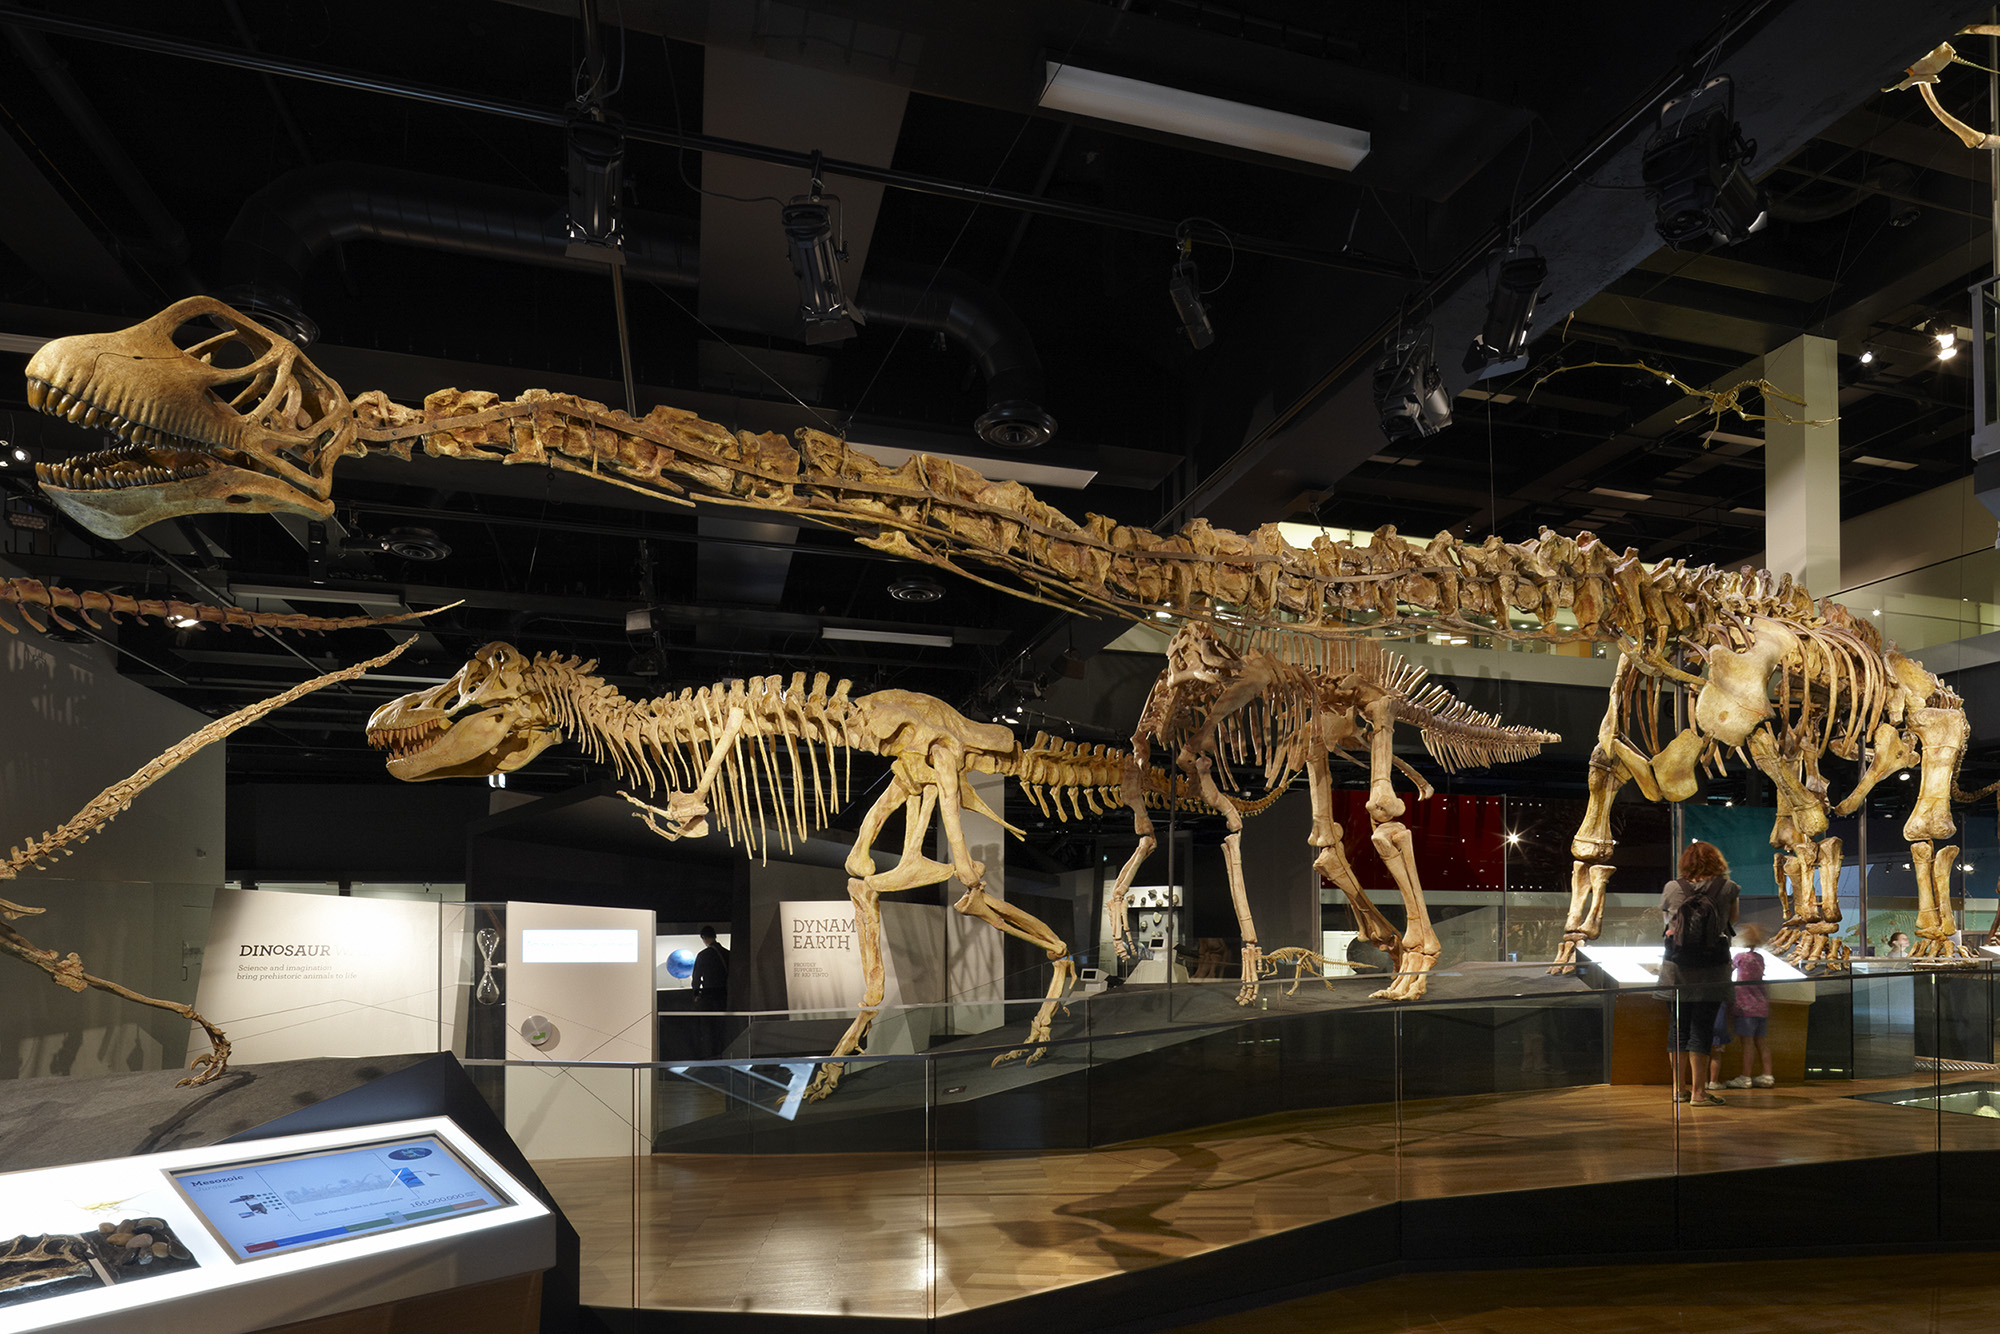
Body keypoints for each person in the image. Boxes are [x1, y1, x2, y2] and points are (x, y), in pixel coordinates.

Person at [1660, 841, 1740, 1107]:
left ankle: (1676, 1090)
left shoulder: (1672, 887)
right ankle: (1698, 1093)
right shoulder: (1727, 887)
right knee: (1702, 1029)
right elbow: (1733, 920)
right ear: (1717, 861)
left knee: (1677, 1028)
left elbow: (1669, 922)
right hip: (1712, 969)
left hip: (1676, 968)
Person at [1724, 923, 1774, 1088]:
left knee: (1747, 1043)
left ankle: (1745, 1076)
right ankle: (1768, 1075)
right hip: (1761, 1007)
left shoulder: (1740, 957)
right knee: (1761, 1042)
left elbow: (1729, 970)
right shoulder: (1760, 958)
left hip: (1745, 1007)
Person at [690, 925, 730, 1056]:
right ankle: (723, 1053)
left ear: (704, 938)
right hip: (724, 994)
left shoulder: (703, 955)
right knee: (722, 1026)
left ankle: (709, 1055)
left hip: (708, 995)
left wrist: (696, 993)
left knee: (708, 1027)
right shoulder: (727, 954)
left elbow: (697, 976)